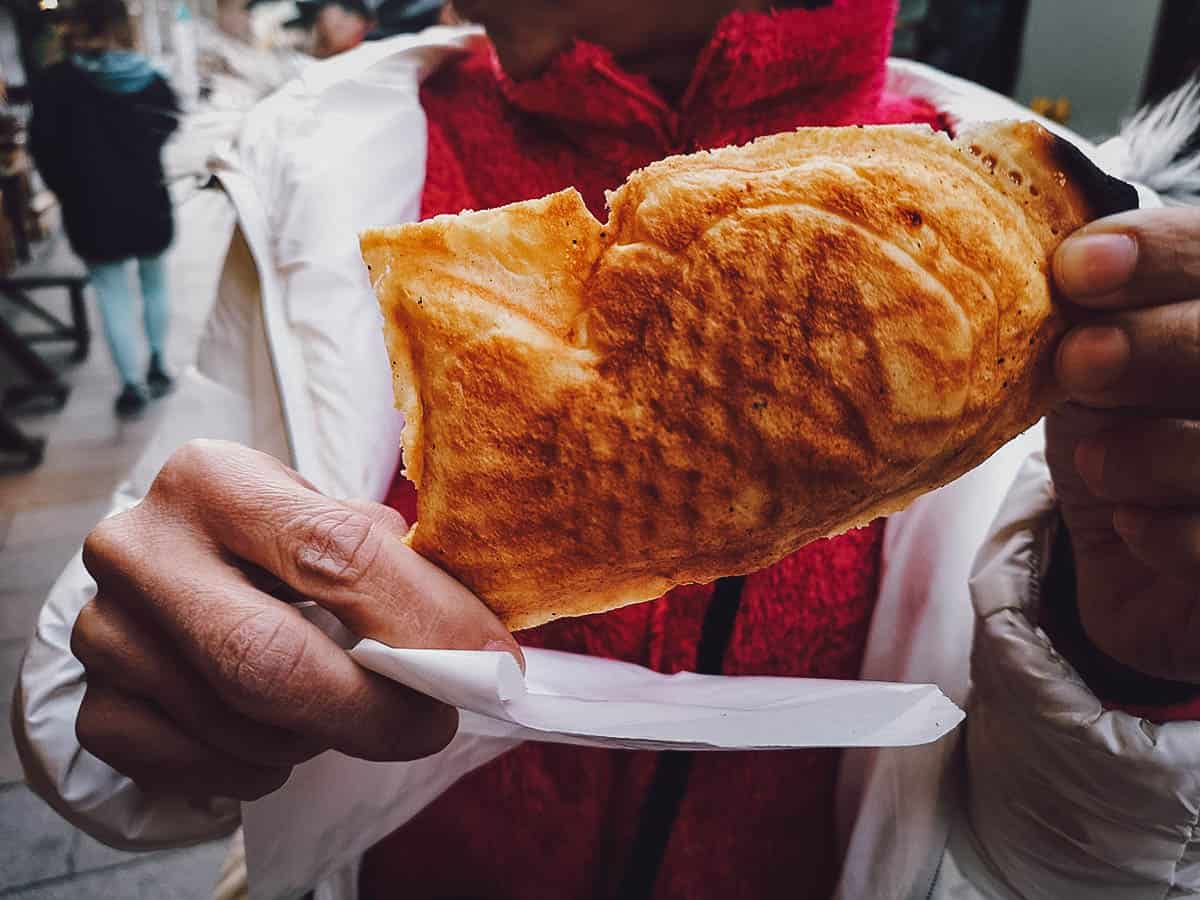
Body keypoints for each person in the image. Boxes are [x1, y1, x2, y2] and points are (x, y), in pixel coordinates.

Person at [12, 1, 1200, 898]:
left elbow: (1068, 863)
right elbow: (109, 694)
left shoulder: (1067, 272)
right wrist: (141, 666)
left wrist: (1133, 667)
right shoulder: (319, 161)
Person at [29, 0, 179, 419]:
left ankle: (132, 385)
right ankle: (158, 367)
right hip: (148, 196)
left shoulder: (56, 83)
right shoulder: (148, 78)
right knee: (154, 284)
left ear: (76, 29)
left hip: (91, 206)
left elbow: (42, 149)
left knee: (112, 292)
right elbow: (171, 122)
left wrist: (69, 187)